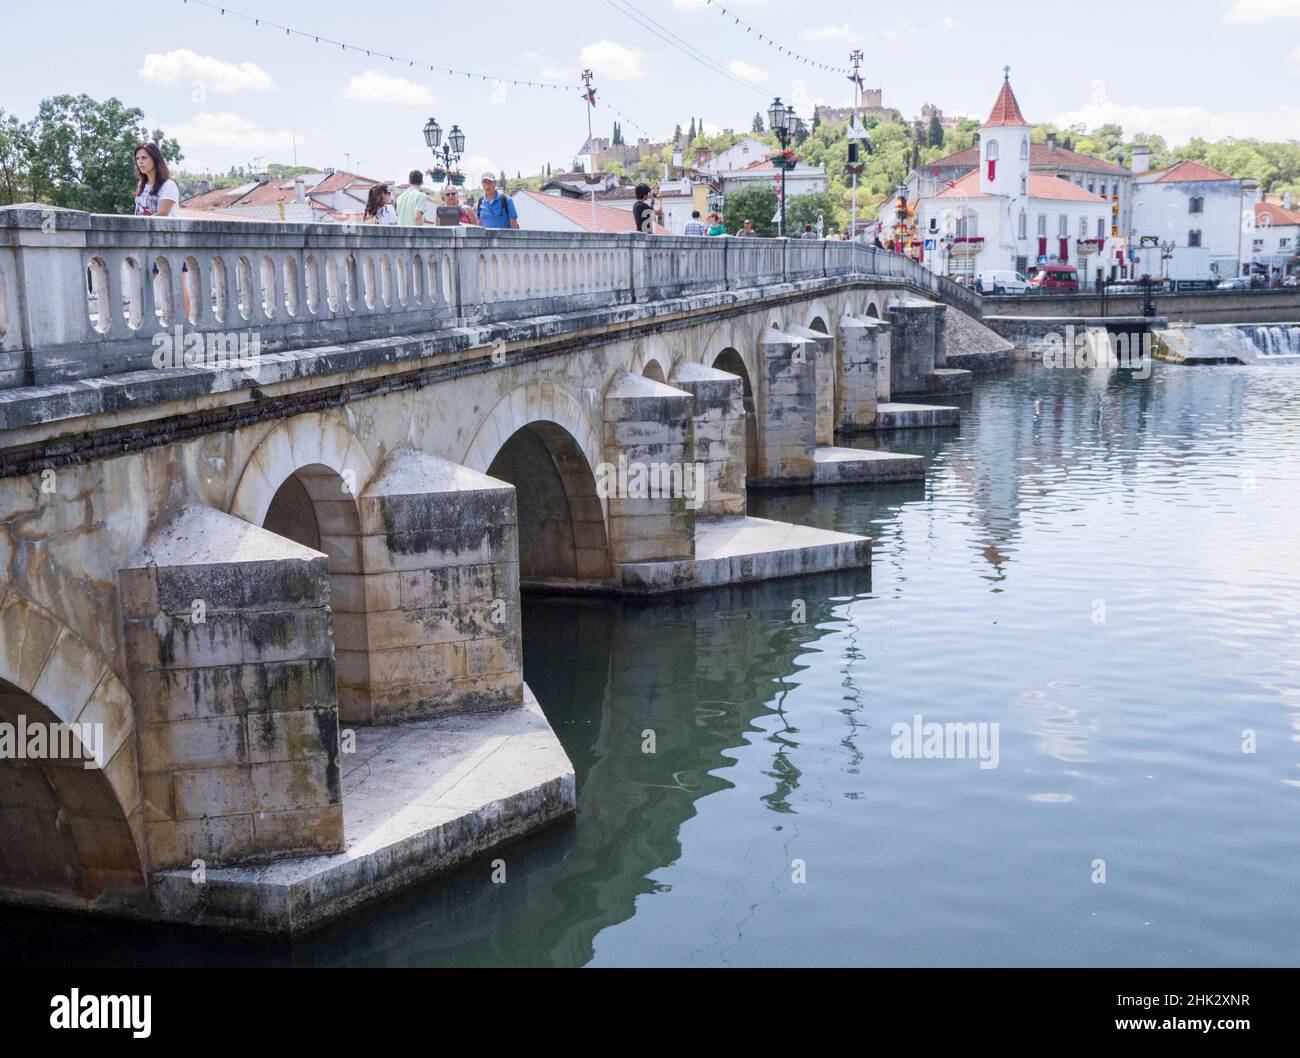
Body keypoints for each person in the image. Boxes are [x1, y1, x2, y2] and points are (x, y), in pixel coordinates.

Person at [133, 143, 179, 217]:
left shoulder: (169, 185)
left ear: (155, 159)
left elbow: (162, 214)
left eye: (144, 157)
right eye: (137, 158)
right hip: (139, 228)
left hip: (162, 228)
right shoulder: (141, 184)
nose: (140, 161)